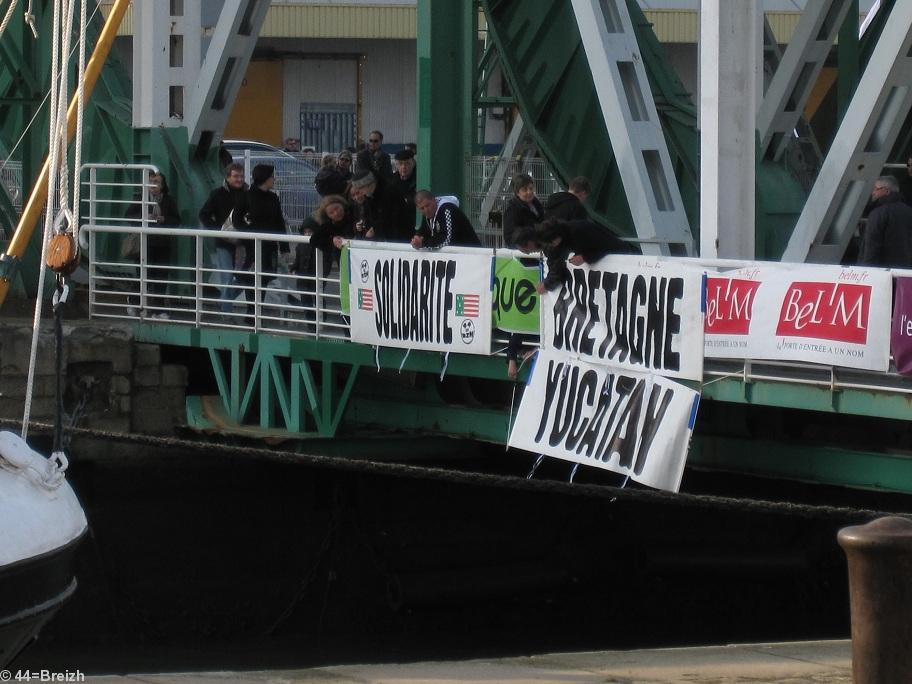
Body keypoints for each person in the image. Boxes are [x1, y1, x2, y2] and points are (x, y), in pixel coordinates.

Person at [233, 164, 289, 320]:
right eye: (272, 176)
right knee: (251, 279)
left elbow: (279, 222)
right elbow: (237, 220)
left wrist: (284, 247)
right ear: (264, 177)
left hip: (269, 246)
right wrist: (250, 233)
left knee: (264, 279)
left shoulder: (273, 197)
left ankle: (257, 312)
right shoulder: (246, 196)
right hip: (251, 247)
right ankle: (252, 313)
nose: (274, 179)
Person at [125, 171, 180, 318]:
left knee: (161, 277)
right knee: (143, 275)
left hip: (162, 244)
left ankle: (158, 309)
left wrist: (164, 219)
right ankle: (134, 303)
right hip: (145, 243)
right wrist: (144, 217)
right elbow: (129, 216)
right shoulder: (140, 198)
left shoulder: (168, 200)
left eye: (157, 182)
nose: (154, 185)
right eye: (151, 181)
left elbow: (176, 219)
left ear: (162, 185)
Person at [198, 162, 247, 312]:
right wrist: (218, 231)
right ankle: (227, 313)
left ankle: (224, 301)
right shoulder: (217, 194)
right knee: (227, 278)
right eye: (236, 176)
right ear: (227, 177)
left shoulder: (248, 193)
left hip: (244, 244)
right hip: (224, 243)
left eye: (241, 176)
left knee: (245, 280)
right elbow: (204, 214)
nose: (239, 179)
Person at [858, 176, 912, 268]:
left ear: (887, 191)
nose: (873, 192)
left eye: (876, 189)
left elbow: (872, 247)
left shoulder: (878, 214)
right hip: (906, 272)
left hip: (883, 271)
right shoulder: (909, 211)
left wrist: (865, 270)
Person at [349, 170, 411, 242]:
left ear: (368, 185)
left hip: (399, 237)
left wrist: (375, 229)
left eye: (360, 188)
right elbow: (370, 216)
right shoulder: (369, 195)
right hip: (384, 237)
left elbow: (390, 217)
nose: (360, 192)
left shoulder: (389, 192)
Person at [411, 190, 481, 249]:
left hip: (470, 252)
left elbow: (447, 240)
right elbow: (424, 231)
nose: (426, 210)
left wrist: (424, 243)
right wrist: (417, 238)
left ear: (434, 200)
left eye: (427, 205)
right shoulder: (428, 214)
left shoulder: (447, 209)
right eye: (422, 208)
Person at [503, 173, 544, 247]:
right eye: (525, 189)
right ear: (517, 193)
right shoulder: (512, 210)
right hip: (524, 253)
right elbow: (509, 237)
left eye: (531, 188)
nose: (529, 192)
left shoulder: (537, 205)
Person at [392, 148, 417, 215]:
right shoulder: (392, 179)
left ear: (413, 164)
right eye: (400, 164)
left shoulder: (418, 179)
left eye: (407, 163)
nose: (403, 167)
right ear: (396, 166)